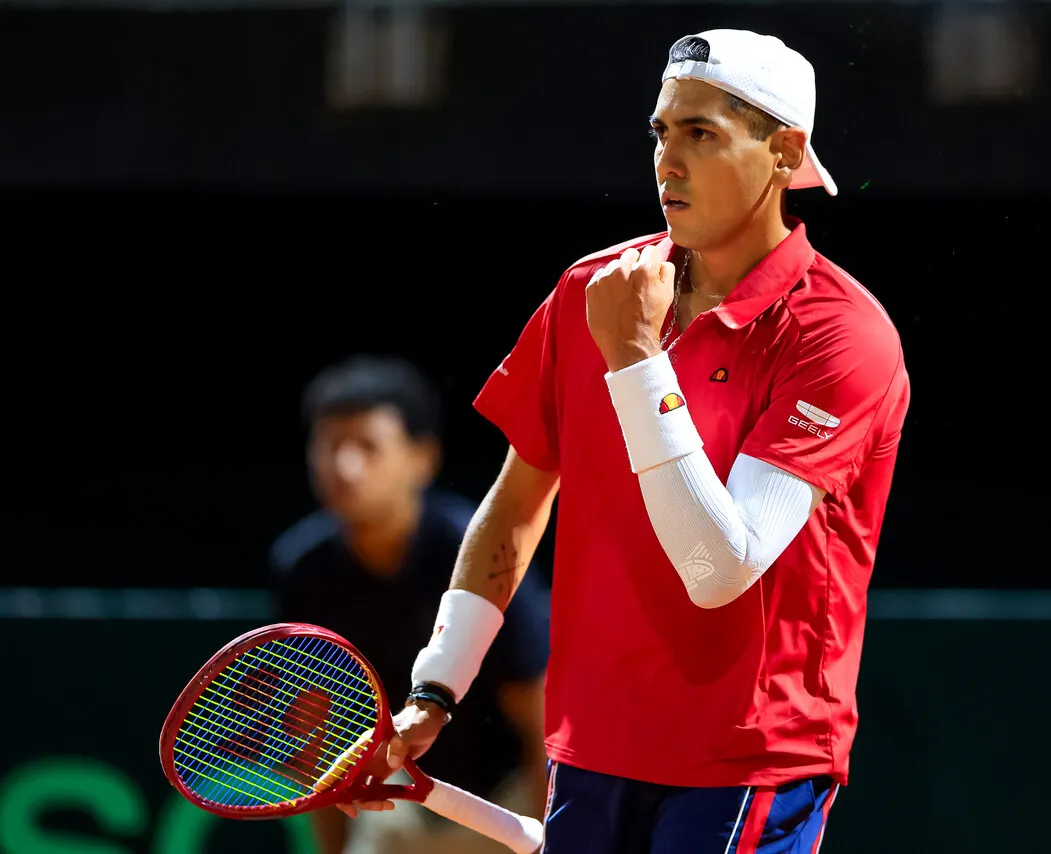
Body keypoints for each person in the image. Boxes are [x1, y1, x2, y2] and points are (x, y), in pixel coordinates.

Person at [344, 29, 911, 852]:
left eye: (702, 134)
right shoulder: (591, 291)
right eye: (661, 132)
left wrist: (636, 360)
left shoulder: (841, 336)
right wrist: (435, 689)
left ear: (784, 151)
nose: (667, 161)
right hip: (591, 748)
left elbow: (720, 570)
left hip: (748, 762)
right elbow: (515, 508)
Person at [269, 355, 550, 854]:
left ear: (422, 457)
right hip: (400, 802)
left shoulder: (470, 550)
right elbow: (312, 733)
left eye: (367, 446)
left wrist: (559, 835)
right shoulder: (303, 570)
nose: (344, 467)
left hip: (508, 799)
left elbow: (539, 715)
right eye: (330, 445)